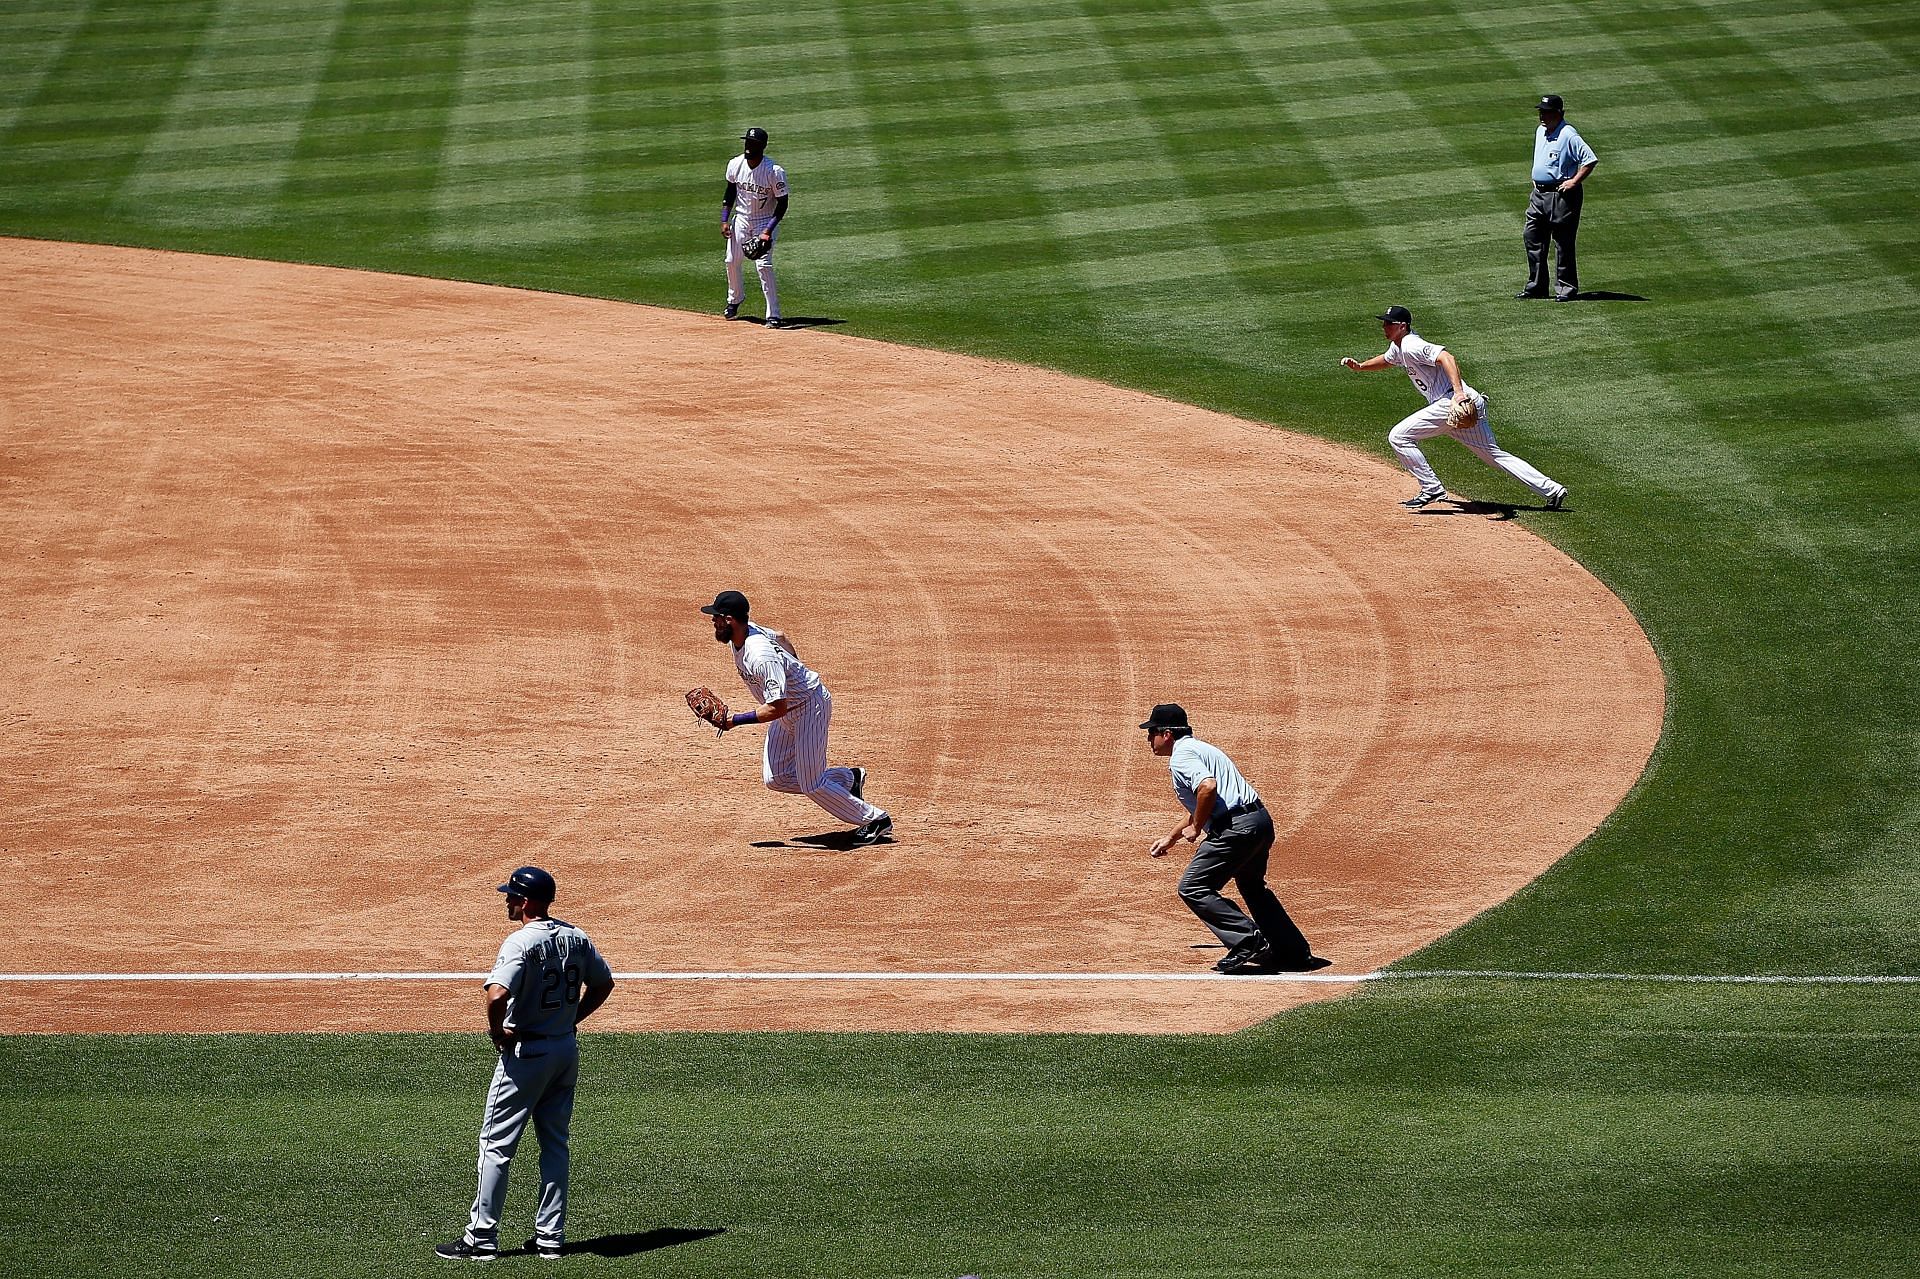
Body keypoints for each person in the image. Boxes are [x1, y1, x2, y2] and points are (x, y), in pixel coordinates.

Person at [437, 866, 615, 1262]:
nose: (508, 900)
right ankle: (550, 1237)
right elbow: (603, 984)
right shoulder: (577, 936)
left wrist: (498, 1033)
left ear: (528, 902)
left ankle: (481, 1239)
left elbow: (497, 995)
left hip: (527, 1055)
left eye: (513, 895)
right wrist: (571, 1020)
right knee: (555, 1144)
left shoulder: (519, 943)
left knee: (495, 1146)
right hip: (565, 1051)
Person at [1141, 703, 1325, 975]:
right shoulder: (1202, 749)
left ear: (1167, 734)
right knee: (1252, 887)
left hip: (1236, 829)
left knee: (1193, 887)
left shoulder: (1181, 756)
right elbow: (1205, 801)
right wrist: (1173, 836)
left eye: (1152, 732)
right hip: (1258, 822)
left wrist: (1198, 827)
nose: (1149, 739)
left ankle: (1246, 939)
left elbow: (1208, 788)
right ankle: (1292, 951)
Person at [701, 590, 892, 846]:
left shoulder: (759, 655)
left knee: (811, 784)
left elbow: (776, 708)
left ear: (729, 619)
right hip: (790, 709)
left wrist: (734, 720)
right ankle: (849, 779)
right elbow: (780, 635)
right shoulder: (748, 631)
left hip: (808, 708)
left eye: (716, 618)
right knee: (776, 778)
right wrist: (794, 671)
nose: (713, 622)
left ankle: (876, 820)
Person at [1340, 305, 1568, 510]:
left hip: (1452, 402)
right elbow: (1388, 360)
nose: (1384, 326)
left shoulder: (1411, 344)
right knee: (1493, 455)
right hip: (1464, 403)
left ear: (1402, 326)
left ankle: (1431, 488)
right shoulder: (1399, 346)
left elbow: (1446, 357)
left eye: (1388, 323)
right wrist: (1360, 367)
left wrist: (1458, 393)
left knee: (1399, 436)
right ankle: (1552, 490)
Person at [1518, 94, 1598, 301]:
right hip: (1539, 195)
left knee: (1563, 243)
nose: (1542, 116)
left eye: (1546, 112)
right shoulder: (1541, 131)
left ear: (1558, 113)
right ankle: (1536, 286)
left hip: (1561, 195)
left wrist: (1574, 181)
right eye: (1540, 112)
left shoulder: (1568, 134)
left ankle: (1566, 289)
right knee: (1532, 237)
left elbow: (1589, 159)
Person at [721, 126, 789, 328]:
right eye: (747, 142)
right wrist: (725, 220)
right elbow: (729, 194)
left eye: (753, 144)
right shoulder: (735, 164)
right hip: (741, 219)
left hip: (765, 220)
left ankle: (773, 314)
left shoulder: (774, 171)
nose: (748, 147)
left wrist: (767, 232)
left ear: (762, 146)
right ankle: (734, 300)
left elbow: (782, 204)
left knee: (763, 265)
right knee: (731, 260)